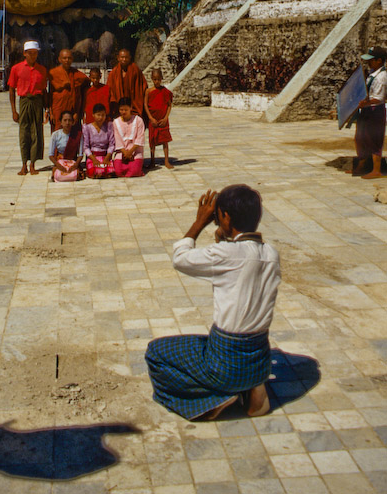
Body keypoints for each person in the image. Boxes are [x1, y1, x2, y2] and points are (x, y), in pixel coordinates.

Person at [145, 184, 281, 421]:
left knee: (156, 352)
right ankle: (255, 390)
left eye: (218, 218)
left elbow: (180, 259)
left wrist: (199, 222)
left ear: (226, 217)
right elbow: (239, 265)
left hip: (225, 364)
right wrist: (224, 240)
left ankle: (216, 398)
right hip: (259, 361)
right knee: (210, 342)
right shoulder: (271, 253)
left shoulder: (225, 254)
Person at [7, 40, 49, 176]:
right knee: (24, 132)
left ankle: (33, 164)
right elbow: (11, 89)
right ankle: (24, 163)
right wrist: (14, 110)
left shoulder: (41, 70)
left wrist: (46, 109)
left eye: (35, 53)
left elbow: (44, 90)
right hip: (24, 100)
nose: (33, 56)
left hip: (37, 101)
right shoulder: (16, 69)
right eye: (30, 53)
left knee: (36, 131)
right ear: (25, 53)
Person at [351, 46, 387, 179]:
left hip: (375, 111)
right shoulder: (373, 73)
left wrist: (365, 103)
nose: (369, 62)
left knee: (374, 139)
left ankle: (376, 170)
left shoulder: (382, 77)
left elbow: (378, 97)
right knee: (361, 137)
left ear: (379, 61)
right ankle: (361, 166)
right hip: (367, 110)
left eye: (371, 60)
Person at [49, 49, 89, 130]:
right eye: (64, 58)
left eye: (69, 58)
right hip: (58, 110)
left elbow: (83, 91)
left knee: (73, 137)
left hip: (73, 111)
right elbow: (50, 94)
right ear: (59, 59)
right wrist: (50, 112)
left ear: (72, 59)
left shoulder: (77, 75)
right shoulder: (53, 73)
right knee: (58, 135)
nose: (67, 60)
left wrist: (79, 112)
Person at [144, 68, 173, 169]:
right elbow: (145, 105)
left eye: (158, 79)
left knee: (165, 140)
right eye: (155, 79)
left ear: (161, 79)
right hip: (153, 119)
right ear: (152, 79)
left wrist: (165, 118)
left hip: (162, 119)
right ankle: (152, 161)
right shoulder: (148, 91)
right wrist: (150, 118)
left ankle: (166, 160)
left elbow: (169, 105)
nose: (157, 81)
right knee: (152, 140)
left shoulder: (165, 92)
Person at [107, 49, 147, 119]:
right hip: (118, 108)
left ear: (130, 58)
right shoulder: (113, 73)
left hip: (133, 107)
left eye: (126, 57)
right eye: (122, 57)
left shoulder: (135, 71)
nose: (124, 59)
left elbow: (142, 87)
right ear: (118, 58)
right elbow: (110, 89)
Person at [113, 97, 145, 177]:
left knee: (134, 171)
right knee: (118, 172)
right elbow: (117, 139)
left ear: (131, 108)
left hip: (135, 150)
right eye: (121, 110)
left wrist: (130, 152)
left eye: (126, 110)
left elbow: (140, 138)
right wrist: (125, 153)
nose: (123, 112)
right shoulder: (116, 122)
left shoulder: (138, 120)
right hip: (122, 151)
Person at [82, 103, 115, 178]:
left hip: (105, 155)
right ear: (93, 115)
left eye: (103, 115)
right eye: (98, 115)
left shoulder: (109, 127)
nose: (101, 117)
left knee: (110, 172)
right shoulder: (88, 128)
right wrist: (93, 159)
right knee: (94, 172)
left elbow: (111, 144)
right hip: (93, 156)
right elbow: (86, 147)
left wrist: (107, 157)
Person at [49, 110, 84, 181]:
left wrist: (75, 165)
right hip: (61, 162)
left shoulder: (78, 135)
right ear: (61, 122)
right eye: (65, 120)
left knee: (76, 175)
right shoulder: (55, 135)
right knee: (58, 175)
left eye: (69, 120)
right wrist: (59, 166)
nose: (67, 123)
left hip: (73, 162)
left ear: (73, 122)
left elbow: (80, 155)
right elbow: (51, 155)